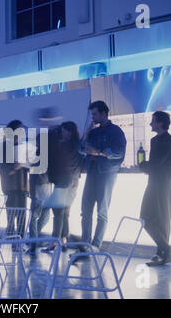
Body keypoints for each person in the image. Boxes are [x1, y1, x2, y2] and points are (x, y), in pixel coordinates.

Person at [75, 101, 126, 254]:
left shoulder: (116, 132)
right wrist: (87, 132)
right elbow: (80, 149)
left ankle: (95, 245)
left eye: (95, 114)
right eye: (92, 114)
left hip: (106, 173)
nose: (93, 117)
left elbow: (119, 152)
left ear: (104, 113)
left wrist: (97, 152)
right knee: (85, 209)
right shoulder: (94, 132)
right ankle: (85, 243)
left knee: (102, 211)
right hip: (92, 171)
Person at [139, 111, 171, 266]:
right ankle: (164, 249)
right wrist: (146, 166)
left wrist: (142, 165)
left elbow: (155, 164)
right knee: (149, 217)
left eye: (153, 121)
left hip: (164, 182)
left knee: (161, 217)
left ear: (161, 123)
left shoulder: (167, 141)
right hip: (156, 182)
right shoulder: (156, 140)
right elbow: (154, 165)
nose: (150, 124)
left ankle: (163, 251)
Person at [42, 121, 83, 253]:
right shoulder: (77, 145)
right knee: (65, 214)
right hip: (74, 182)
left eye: (64, 130)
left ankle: (54, 242)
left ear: (69, 132)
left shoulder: (64, 145)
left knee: (58, 214)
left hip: (63, 182)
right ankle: (63, 242)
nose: (62, 132)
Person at [26, 108, 60, 256]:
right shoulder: (50, 137)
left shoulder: (44, 137)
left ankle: (33, 241)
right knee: (41, 213)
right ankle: (34, 241)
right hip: (44, 182)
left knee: (37, 214)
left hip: (42, 182)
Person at [0, 120, 29, 247]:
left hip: (22, 187)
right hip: (10, 187)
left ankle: (20, 242)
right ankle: (13, 243)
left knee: (22, 217)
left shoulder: (23, 146)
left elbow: (28, 167)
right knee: (11, 217)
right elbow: (5, 169)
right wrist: (16, 166)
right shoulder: (5, 146)